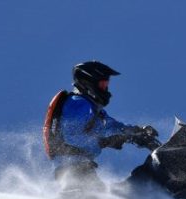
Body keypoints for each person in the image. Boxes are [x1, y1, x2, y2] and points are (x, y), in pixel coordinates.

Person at [43, 61, 159, 191]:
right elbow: (71, 136)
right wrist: (103, 141)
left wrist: (136, 132)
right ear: (88, 83)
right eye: (102, 84)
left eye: (106, 84)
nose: (106, 88)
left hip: (81, 167)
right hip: (73, 169)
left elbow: (112, 126)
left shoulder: (93, 109)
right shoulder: (78, 104)